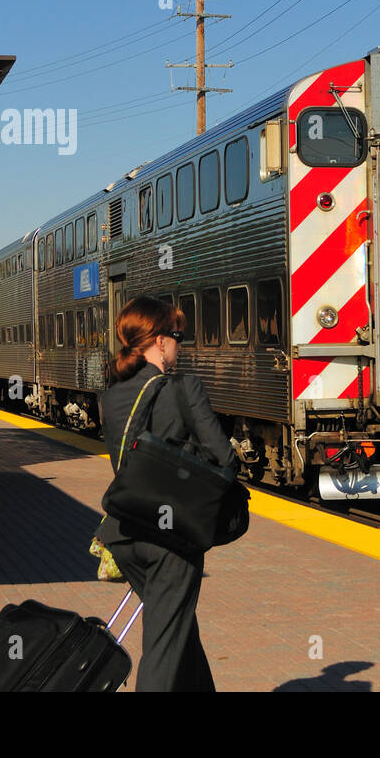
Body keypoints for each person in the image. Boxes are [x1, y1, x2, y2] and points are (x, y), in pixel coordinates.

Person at [97, 296, 236, 692]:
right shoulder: (183, 388)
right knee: (162, 645)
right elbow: (224, 459)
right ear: (159, 341)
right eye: (178, 336)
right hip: (170, 542)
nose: (181, 345)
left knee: (176, 630)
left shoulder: (113, 395)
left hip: (124, 535)